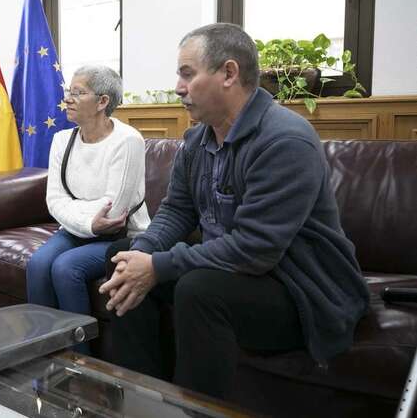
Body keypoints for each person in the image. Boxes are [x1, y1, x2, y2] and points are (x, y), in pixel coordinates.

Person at [100, 23, 369, 399]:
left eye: (187, 74)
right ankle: (142, 398)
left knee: (198, 290)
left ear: (229, 73)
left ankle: (195, 410)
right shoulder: (197, 139)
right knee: (121, 257)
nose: (178, 87)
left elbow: (255, 249)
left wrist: (159, 266)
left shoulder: (285, 140)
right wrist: (143, 254)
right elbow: (177, 210)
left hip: (300, 288)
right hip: (235, 273)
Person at [27, 65, 149, 352]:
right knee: (37, 264)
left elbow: (114, 213)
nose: (68, 98)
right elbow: (54, 200)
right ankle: (42, 352)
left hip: (121, 234)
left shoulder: (128, 140)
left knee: (66, 267)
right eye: (68, 91)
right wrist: (88, 222)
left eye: (78, 92)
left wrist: (77, 211)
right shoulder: (62, 140)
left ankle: (80, 362)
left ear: (103, 101)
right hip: (79, 230)